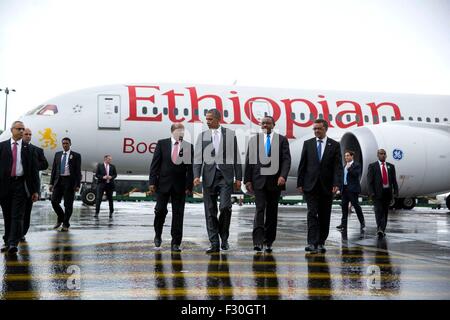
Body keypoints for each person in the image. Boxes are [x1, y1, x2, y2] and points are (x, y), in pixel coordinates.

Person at [194, 108, 242, 253]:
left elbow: (236, 157)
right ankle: (214, 243)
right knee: (210, 211)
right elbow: (197, 159)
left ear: (217, 119)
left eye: (210, 119)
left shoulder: (230, 135)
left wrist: (239, 178)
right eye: (206, 119)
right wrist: (196, 176)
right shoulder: (202, 136)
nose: (207, 122)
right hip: (209, 177)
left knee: (225, 208)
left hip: (225, 177)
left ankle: (224, 238)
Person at [244, 116, 291, 253]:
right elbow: (249, 161)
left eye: (268, 123)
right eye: (263, 123)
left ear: (273, 125)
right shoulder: (254, 140)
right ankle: (257, 242)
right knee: (259, 210)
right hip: (258, 181)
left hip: (275, 181)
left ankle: (269, 241)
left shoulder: (282, 140)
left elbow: (286, 160)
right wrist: (248, 180)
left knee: (272, 211)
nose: (265, 125)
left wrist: (283, 175)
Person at [297, 119, 343, 254]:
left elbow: (337, 167)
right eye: (315, 129)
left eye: (319, 128)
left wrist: (336, 183)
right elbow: (302, 165)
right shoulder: (308, 144)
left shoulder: (334, 145)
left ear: (325, 129)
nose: (316, 131)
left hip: (327, 186)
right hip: (310, 186)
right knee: (312, 214)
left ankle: (321, 242)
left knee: (324, 215)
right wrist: (300, 183)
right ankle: (311, 242)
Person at [149, 123, 193, 252]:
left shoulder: (187, 147)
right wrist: (152, 182)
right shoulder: (162, 144)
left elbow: (189, 169)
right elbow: (154, 165)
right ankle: (158, 234)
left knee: (178, 215)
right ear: (173, 131)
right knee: (160, 211)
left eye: (183, 131)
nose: (183, 133)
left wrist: (189, 186)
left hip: (180, 185)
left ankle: (176, 243)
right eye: (180, 131)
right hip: (163, 184)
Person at [0, 121, 39, 255]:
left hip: (20, 185)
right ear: (12, 130)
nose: (22, 131)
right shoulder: (2, 147)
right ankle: (7, 240)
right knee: (7, 215)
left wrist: (35, 190)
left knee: (17, 215)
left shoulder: (29, 149)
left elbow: (34, 172)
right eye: (19, 129)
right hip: (4, 185)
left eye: (23, 129)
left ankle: (13, 243)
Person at [21, 128, 49, 241]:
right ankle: (14, 234)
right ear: (22, 135)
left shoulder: (37, 150)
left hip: (30, 187)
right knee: (15, 212)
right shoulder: (16, 149)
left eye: (30, 134)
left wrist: (33, 166)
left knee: (27, 211)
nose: (28, 136)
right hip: (16, 184)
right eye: (26, 134)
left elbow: (45, 164)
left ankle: (22, 233)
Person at [49, 137, 82, 232]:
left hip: (69, 182)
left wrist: (78, 185)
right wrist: (51, 183)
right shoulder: (57, 154)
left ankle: (66, 224)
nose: (65, 145)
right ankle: (61, 217)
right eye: (63, 143)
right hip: (58, 181)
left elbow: (77, 171)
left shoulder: (76, 155)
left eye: (67, 143)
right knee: (54, 201)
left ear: (70, 144)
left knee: (68, 204)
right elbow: (54, 170)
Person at [367, 149, 398, 238]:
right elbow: (370, 181)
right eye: (381, 154)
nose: (383, 155)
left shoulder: (391, 166)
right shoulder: (372, 166)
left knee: (385, 212)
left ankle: (382, 229)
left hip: (387, 193)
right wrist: (371, 192)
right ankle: (379, 228)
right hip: (377, 194)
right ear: (378, 155)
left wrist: (396, 191)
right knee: (378, 211)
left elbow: (394, 180)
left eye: (384, 154)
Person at [336, 150, 365, 232]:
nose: (346, 157)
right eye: (345, 156)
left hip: (353, 190)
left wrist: (349, 169)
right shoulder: (344, 166)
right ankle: (343, 224)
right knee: (344, 207)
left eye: (348, 155)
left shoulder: (356, 165)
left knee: (356, 206)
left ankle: (362, 222)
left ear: (352, 156)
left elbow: (356, 175)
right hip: (344, 189)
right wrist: (339, 188)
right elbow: (342, 178)